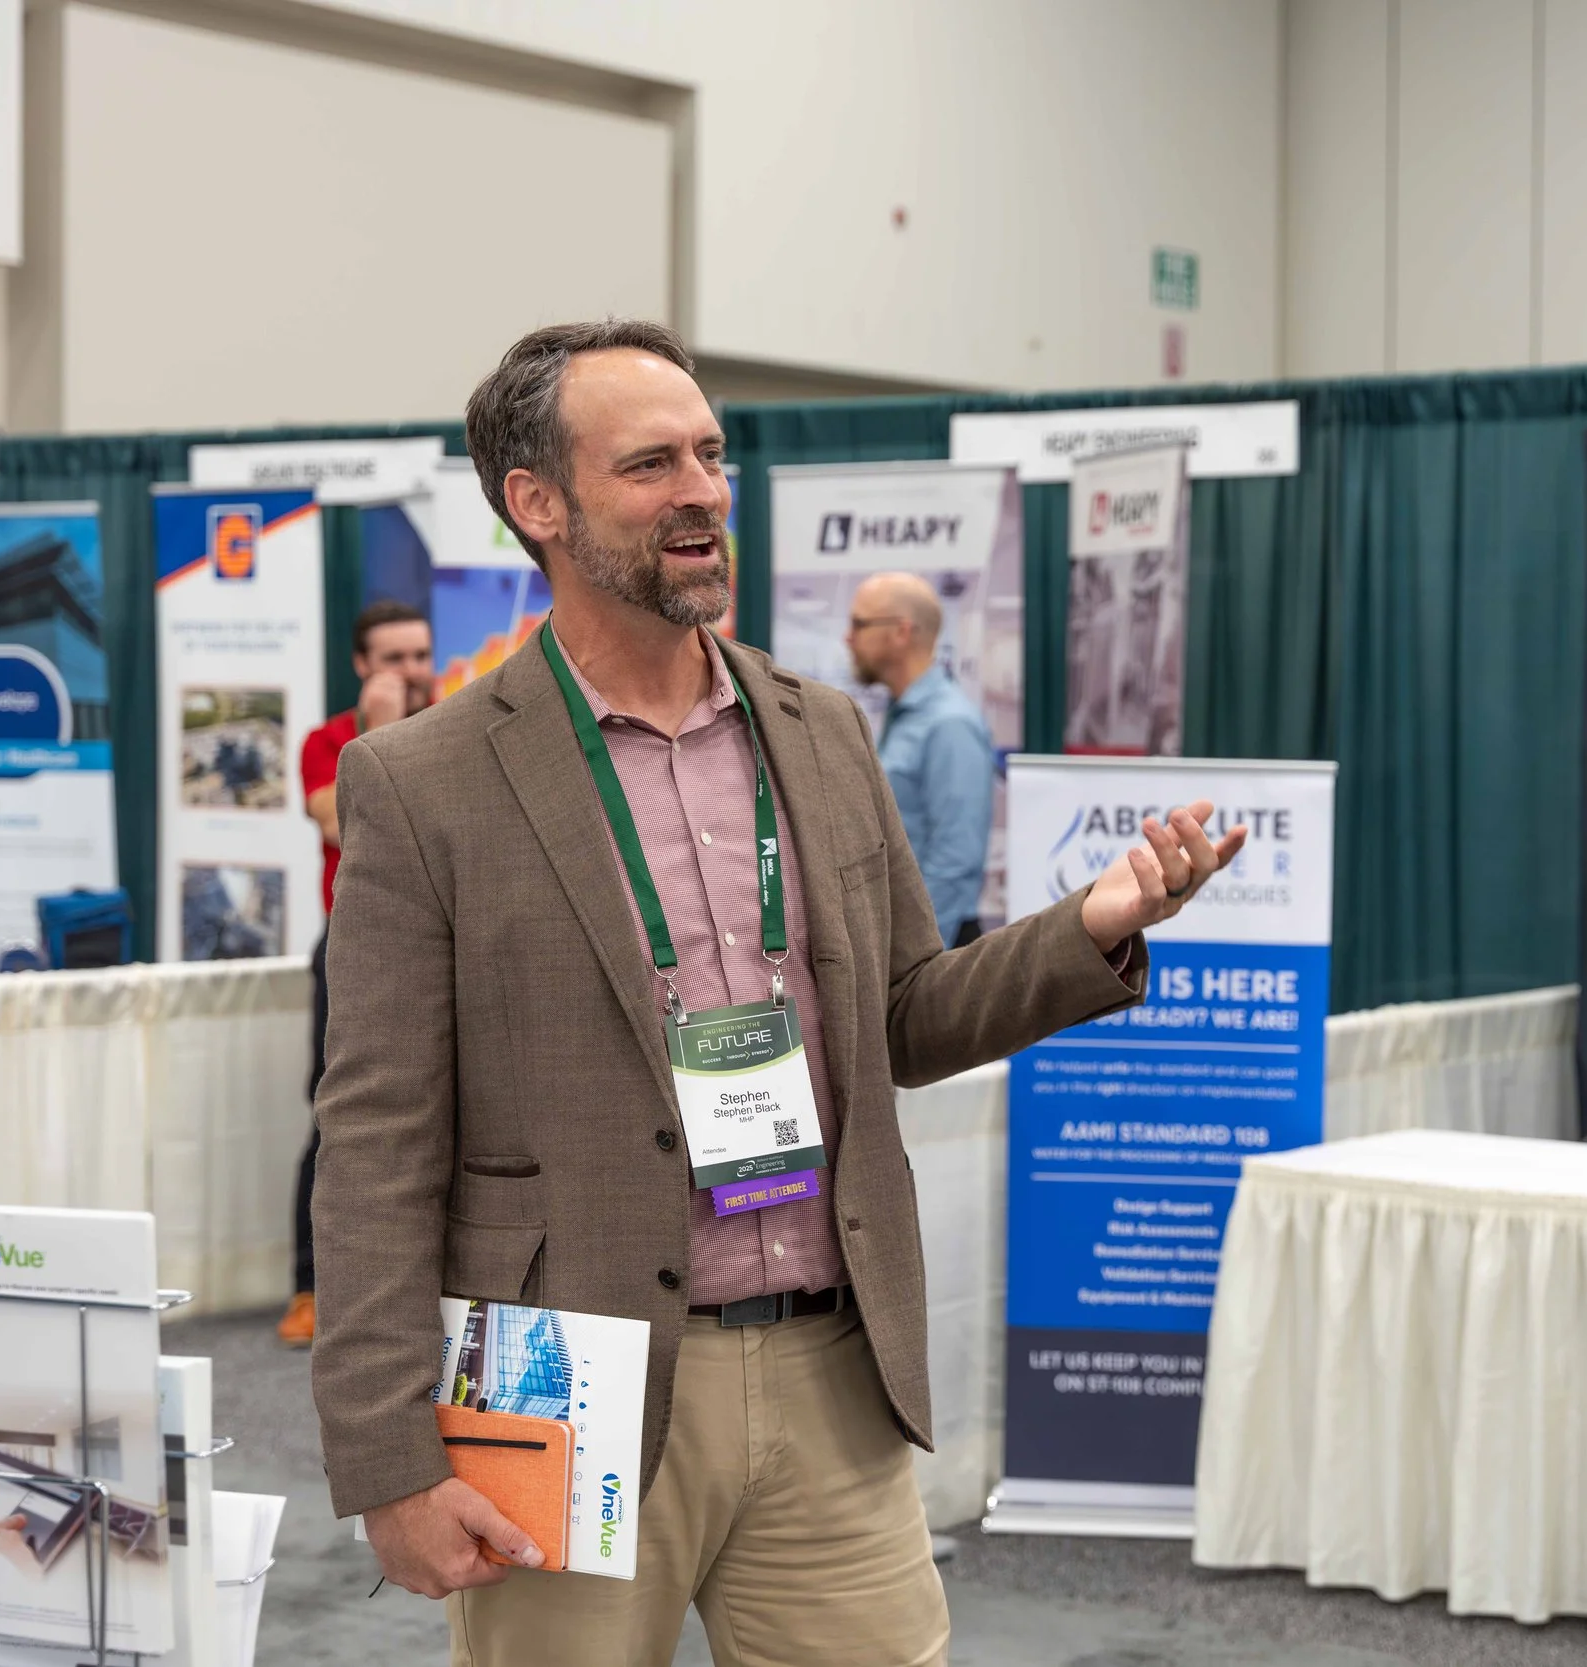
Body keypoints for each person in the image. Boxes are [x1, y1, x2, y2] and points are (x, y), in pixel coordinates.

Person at [309, 319, 1245, 1666]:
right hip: (568, 1378)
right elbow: (377, 1137)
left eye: (711, 452)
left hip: (828, 1367)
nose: (701, 489)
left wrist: (1091, 926)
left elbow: (908, 1014)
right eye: (650, 464)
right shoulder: (426, 779)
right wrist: (389, 1454)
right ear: (538, 503)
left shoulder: (820, 728)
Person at [278, 598, 435, 1348]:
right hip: (354, 942)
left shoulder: (458, 723)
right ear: (362, 665)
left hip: (444, 937)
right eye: (396, 657)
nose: (413, 670)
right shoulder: (330, 739)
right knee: (339, 1114)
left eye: (421, 654)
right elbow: (341, 817)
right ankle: (310, 1286)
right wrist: (380, 732)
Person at [846, 571, 996, 945]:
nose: (849, 638)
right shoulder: (903, 715)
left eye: (860, 624)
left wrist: (918, 958)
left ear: (901, 632)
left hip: (937, 944)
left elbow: (956, 859)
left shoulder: (949, 725)